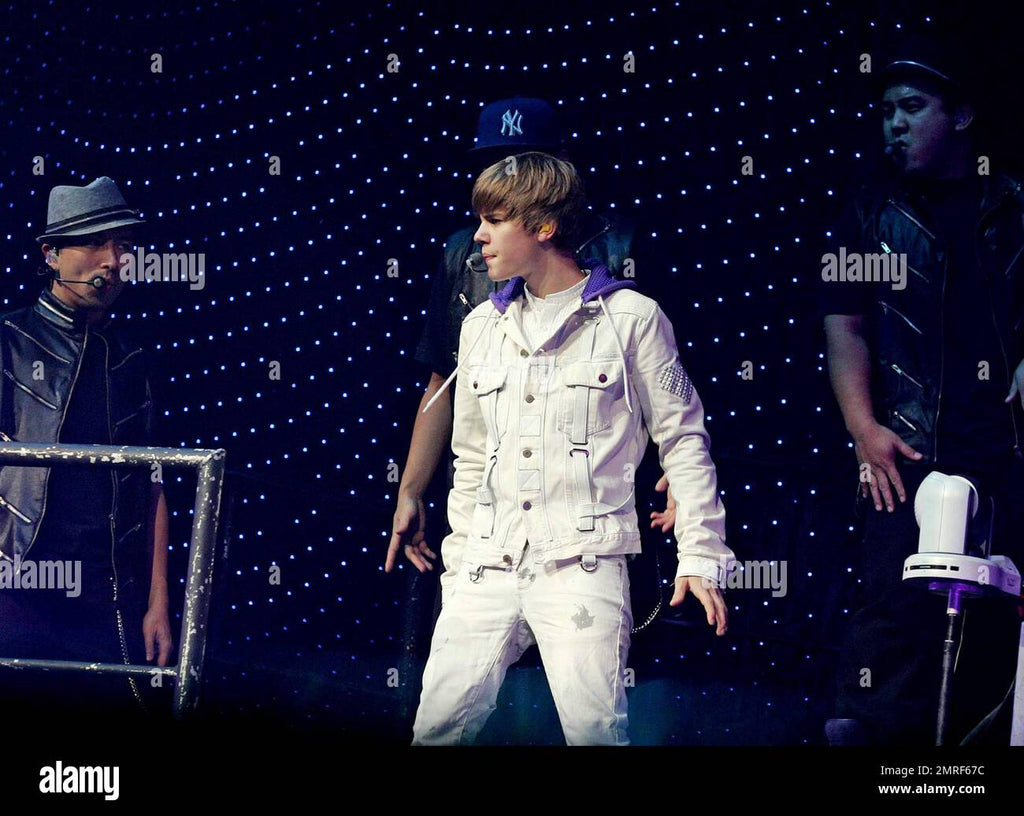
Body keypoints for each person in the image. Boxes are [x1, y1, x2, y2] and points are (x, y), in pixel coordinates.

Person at [410, 152, 731, 745]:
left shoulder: (632, 320)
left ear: (544, 226)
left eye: (495, 220)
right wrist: (459, 566)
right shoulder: (481, 326)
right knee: (436, 730)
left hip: (583, 562)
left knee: (594, 733)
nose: (478, 235)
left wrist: (700, 554)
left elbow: (684, 439)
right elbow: (471, 458)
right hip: (487, 563)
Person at [822, 41, 1024, 745]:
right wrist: (863, 429)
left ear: (961, 116)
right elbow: (844, 325)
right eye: (886, 112)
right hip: (908, 445)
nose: (895, 125)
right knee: (893, 611)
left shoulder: (1015, 204)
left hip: (1007, 448)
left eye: (912, 108)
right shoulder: (867, 213)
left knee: (996, 621)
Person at [0, 176, 173, 718]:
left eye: (123, 245)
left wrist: (159, 602)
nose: (113, 260)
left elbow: (153, 482)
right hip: (16, 584)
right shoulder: (9, 340)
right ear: (51, 255)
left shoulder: (129, 357)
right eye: (95, 242)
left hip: (106, 591)